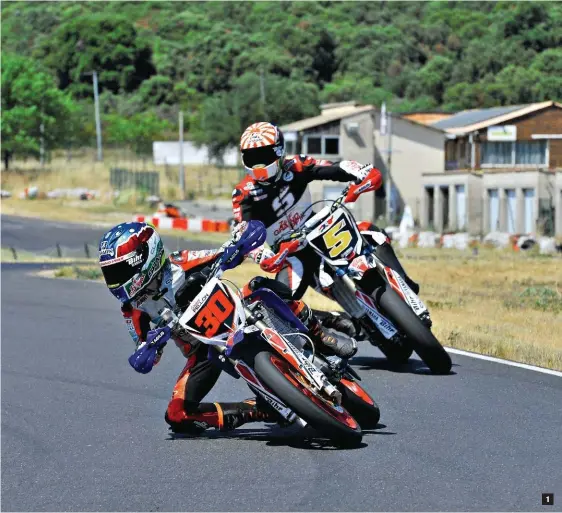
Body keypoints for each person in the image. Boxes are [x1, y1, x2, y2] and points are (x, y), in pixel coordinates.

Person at [98, 221, 356, 435]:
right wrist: (149, 350)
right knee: (176, 416)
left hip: (236, 311)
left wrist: (240, 243)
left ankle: (319, 334)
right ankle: (256, 410)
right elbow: (143, 352)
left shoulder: (179, 263)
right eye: (111, 273)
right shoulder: (132, 309)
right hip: (204, 351)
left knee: (260, 286)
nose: (116, 281)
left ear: (145, 258)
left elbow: (221, 253)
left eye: (120, 270)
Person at [231, 122, 420, 336]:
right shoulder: (243, 193)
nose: (258, 164)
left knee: (370, 231)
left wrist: (361, 175)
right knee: (278, 303)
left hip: (321, 231)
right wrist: (263, 256)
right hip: (290, 252)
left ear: (279, 151)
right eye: (252, 158)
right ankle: (330, 323)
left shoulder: (298, 165)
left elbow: (339, 168)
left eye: (263, 156)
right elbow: (243, 235)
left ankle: (405, 284)